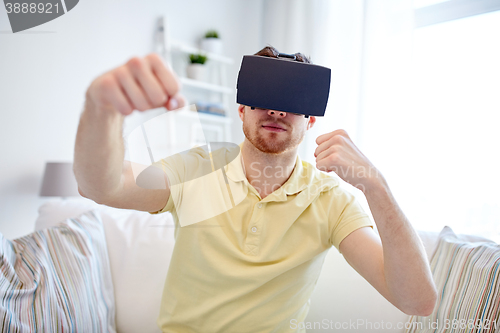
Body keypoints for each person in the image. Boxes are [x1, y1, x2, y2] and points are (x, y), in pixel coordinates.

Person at [74, 46, 437, 332]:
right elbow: (103, 187)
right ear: (242, 109)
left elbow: (417, 302)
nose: (277, 111)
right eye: (264, 96)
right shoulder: (199, 169)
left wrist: (375, 184)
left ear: (310, 119)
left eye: (292, 102)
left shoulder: (331, 200)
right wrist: (101, 109)